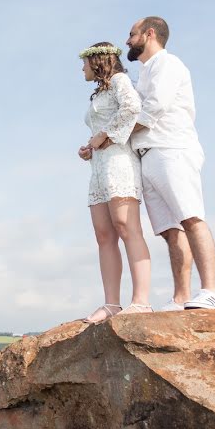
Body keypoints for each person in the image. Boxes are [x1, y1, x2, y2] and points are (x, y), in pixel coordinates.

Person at [126, 17, 215, 310]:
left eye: (132, 34)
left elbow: (155, 106)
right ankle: (182, 296)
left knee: (190, 216)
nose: (128, 41)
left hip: (172, 148)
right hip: (148, 154)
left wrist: (116, 134)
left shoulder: (169, 65)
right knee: (170, 230)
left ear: (150, 33)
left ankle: (211, 291)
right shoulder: (143, 73)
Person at [78, 42, 153, 323]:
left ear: (97, 62)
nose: (81, 69)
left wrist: (106, 135)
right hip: (99, 167)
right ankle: (111, 304)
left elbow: (133, 107)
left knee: (126, 226)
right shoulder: (100, 92)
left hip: (120, 163)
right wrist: (91, 146)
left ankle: (141, 301)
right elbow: (101, 133)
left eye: (84, 63)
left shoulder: (121, 81)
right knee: (103, 235)